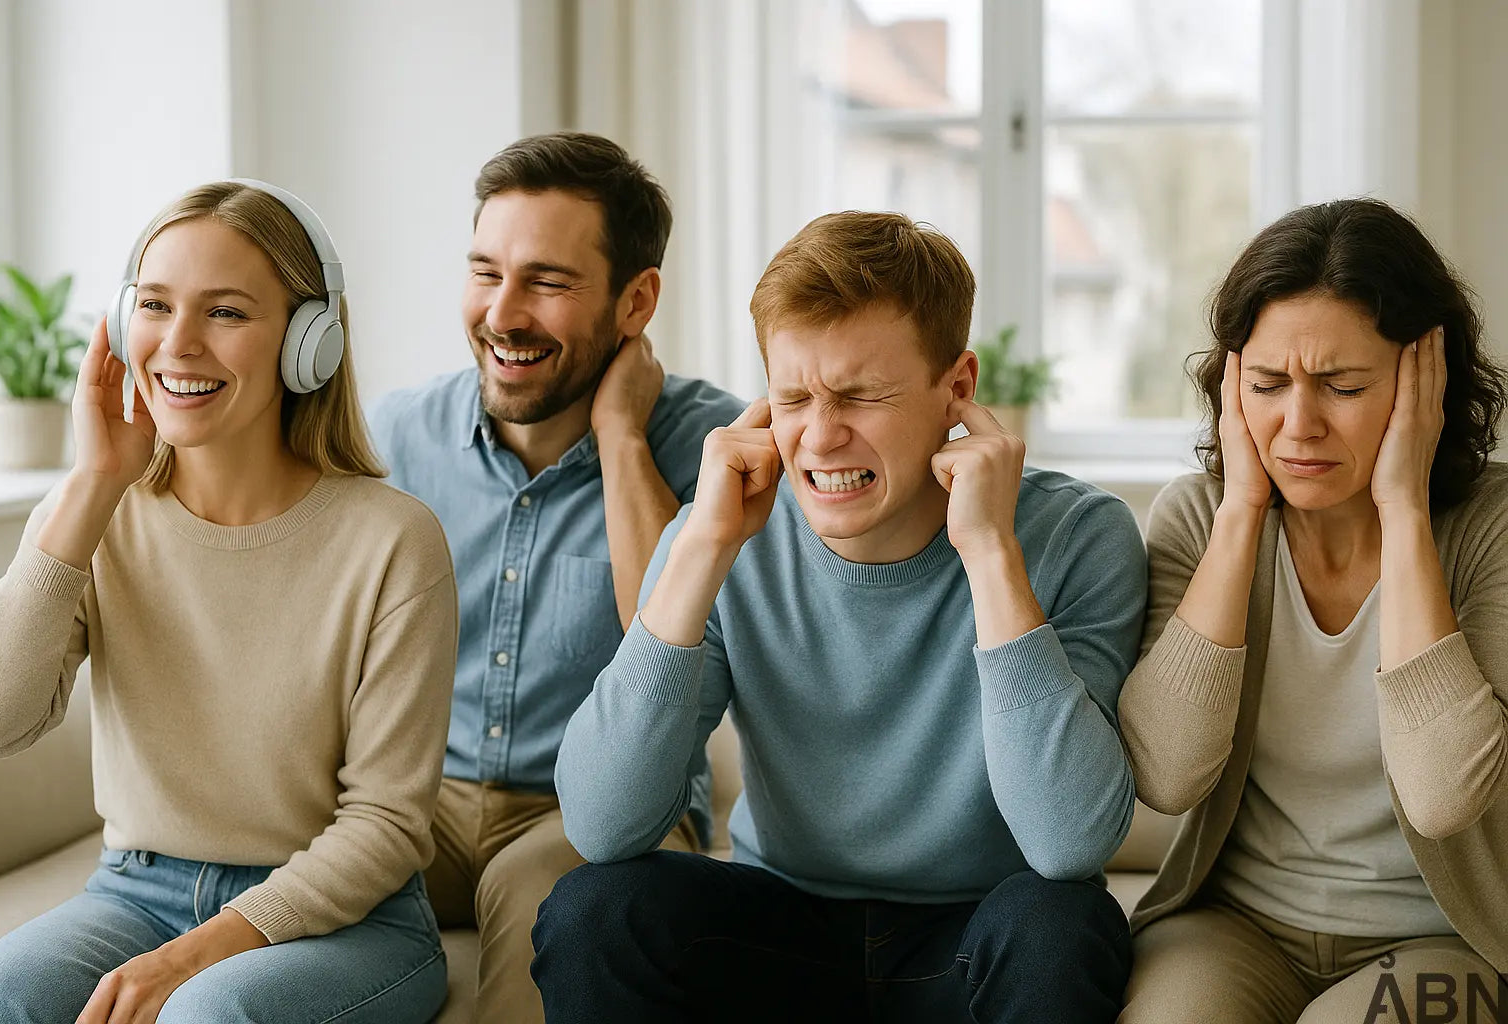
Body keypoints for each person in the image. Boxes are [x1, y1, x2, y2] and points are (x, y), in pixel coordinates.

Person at [531, 211, 1148, 1024]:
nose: (819, 437)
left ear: (957, 388)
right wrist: (701, 548)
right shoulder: (721, 531)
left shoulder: (1078, 536)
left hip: (974, 940)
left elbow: (1069, 843)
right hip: (777, 929)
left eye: (861, 395)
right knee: (592, 910)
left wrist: (991, 553)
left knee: (1063, 926)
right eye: (794, 397)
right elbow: (604, 826)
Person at [0, 180, 457, 1024]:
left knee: (209, 1015)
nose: (179, 344)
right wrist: (90, 485)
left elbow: (385, 824)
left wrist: (195, 957)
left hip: (345, 922)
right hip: (134, 891)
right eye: (156, 305)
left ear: (310, 344)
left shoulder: (394, 541)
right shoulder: (96, 513)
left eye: (226, 313)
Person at [367, 132, 743, 1022]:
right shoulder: (397, 436)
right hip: (420, 799)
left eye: (547, 281)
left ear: (635, 300)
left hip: (598, 815)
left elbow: (669, 632)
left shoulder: (715, 448)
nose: (503, 313)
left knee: (545, 902)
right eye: (486, 272)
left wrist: (621, 439)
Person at [1117, 197, 1508, 1023]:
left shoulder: (1491, 529)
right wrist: (1238, 515)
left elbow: (1443, 796)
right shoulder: (1195, 519)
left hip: (1437, 937)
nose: (1299, 425)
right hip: (1232, 927)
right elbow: (1166, 774)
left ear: (1423, 382)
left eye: (1344, 386)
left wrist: (1402, 506)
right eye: (1266, 385)